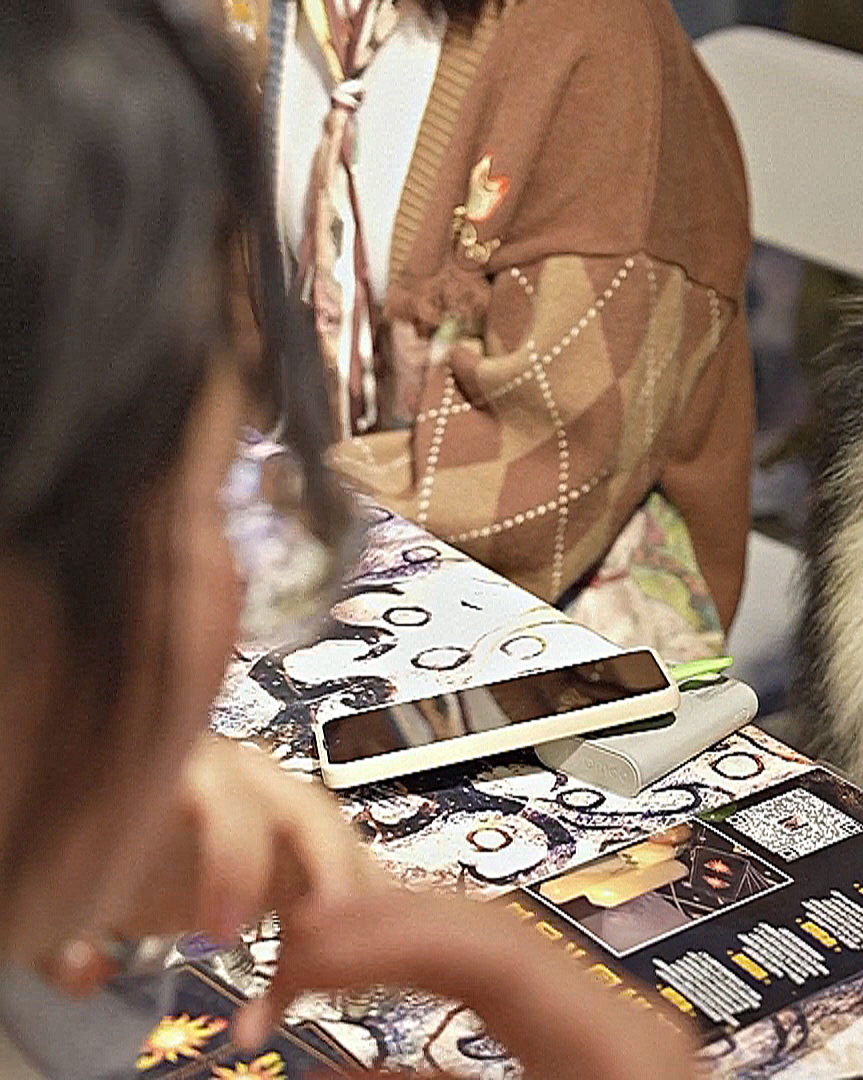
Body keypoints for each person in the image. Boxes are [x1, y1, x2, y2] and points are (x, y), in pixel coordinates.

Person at [0, 2, 693, 1075]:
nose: (240, 566)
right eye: (201, 505)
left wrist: (74, 816)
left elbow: (550, 468)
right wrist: (541, 997)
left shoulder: (593, 44)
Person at [237, 0, 754, 663]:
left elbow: (548, 468)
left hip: (551, 586)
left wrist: (250, 509)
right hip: (322, 513)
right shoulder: (259, 21)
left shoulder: (597, 38)